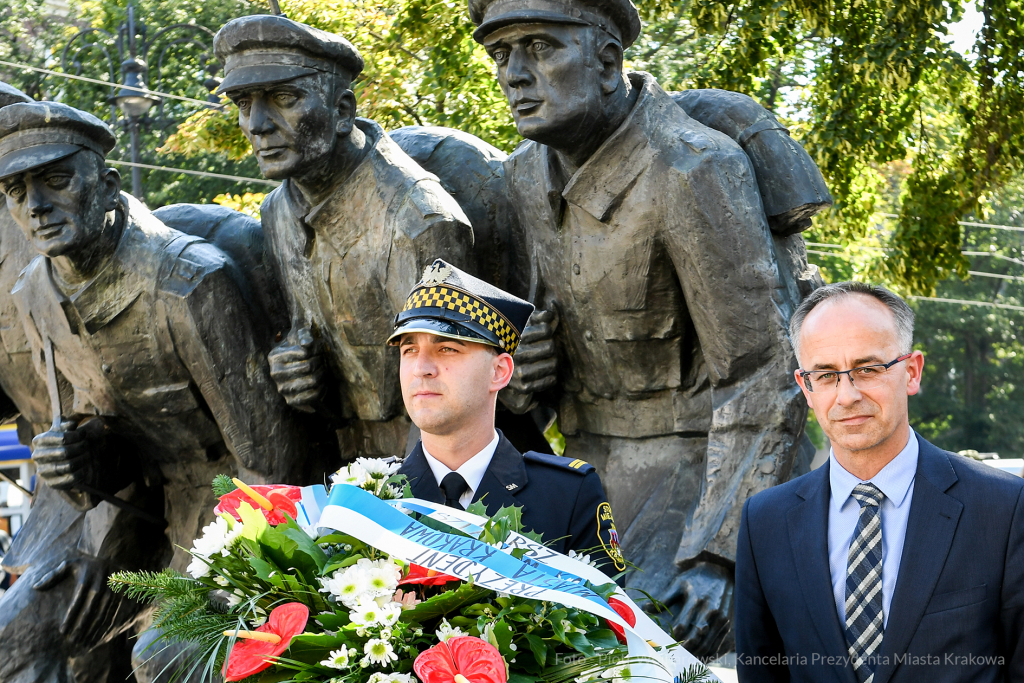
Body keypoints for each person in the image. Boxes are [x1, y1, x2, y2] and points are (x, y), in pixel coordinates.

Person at [469, 0, 805, 653]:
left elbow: (764, 374)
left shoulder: (690, 167)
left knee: (622, 647)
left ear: (606, 61)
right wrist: (529, 367)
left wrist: (720, 554)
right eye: (501, 54)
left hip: (694, 478)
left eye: (538, 47)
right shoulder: (523, 174)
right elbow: (537, 342)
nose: (514, 73)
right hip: (577, 477)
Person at [213, 15, 474, 461]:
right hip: (346, 465)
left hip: (430, 471)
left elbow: (453, 393)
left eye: (284, 98)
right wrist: (299, 370)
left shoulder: (420, 218)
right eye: (243, 103)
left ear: (342, 111)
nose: (257, 124)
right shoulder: (278, 210)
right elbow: (307, 338)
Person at [735, 282, 1024, 683]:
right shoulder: (764, 522)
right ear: (806, 387)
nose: (847, 395)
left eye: (867, 369)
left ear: (911, 372)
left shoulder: (1003, 509)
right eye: (826, 374)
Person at [393, 259, 624, 578]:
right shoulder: (365, 496)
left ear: (499, 371)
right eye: (409, 350)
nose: (422, 368)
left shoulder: (566, 496)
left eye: (447, 349)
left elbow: (606, 623)